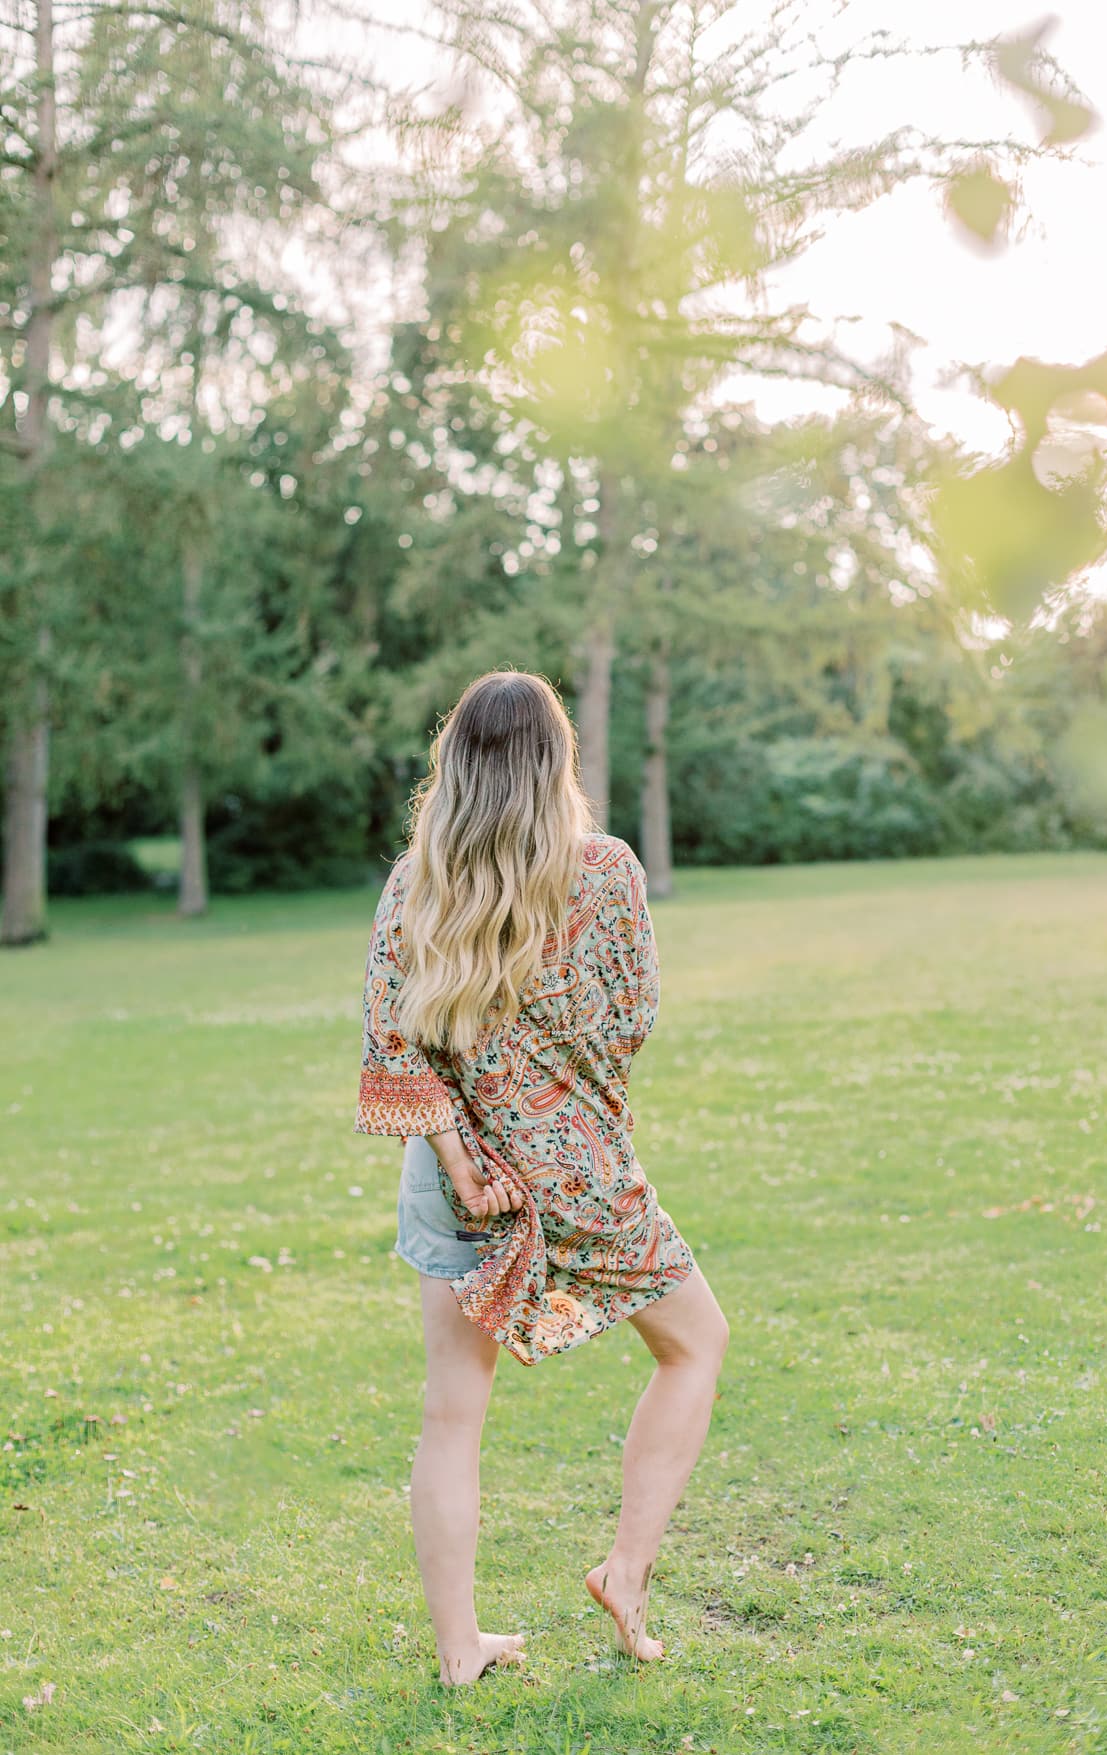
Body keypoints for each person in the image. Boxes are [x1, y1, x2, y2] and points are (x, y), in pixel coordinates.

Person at [353, 670, 730, 1686]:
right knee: (695, 1344)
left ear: (455, 764)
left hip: (454, 1174)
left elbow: (394, 1044)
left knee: (449, 1415)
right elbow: (630, 1022)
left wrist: (462, 1155)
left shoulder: (415, 881)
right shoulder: (603, 872)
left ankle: (458, 1650)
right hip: (579, 1169)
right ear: (559, 760)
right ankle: (626, 1566)